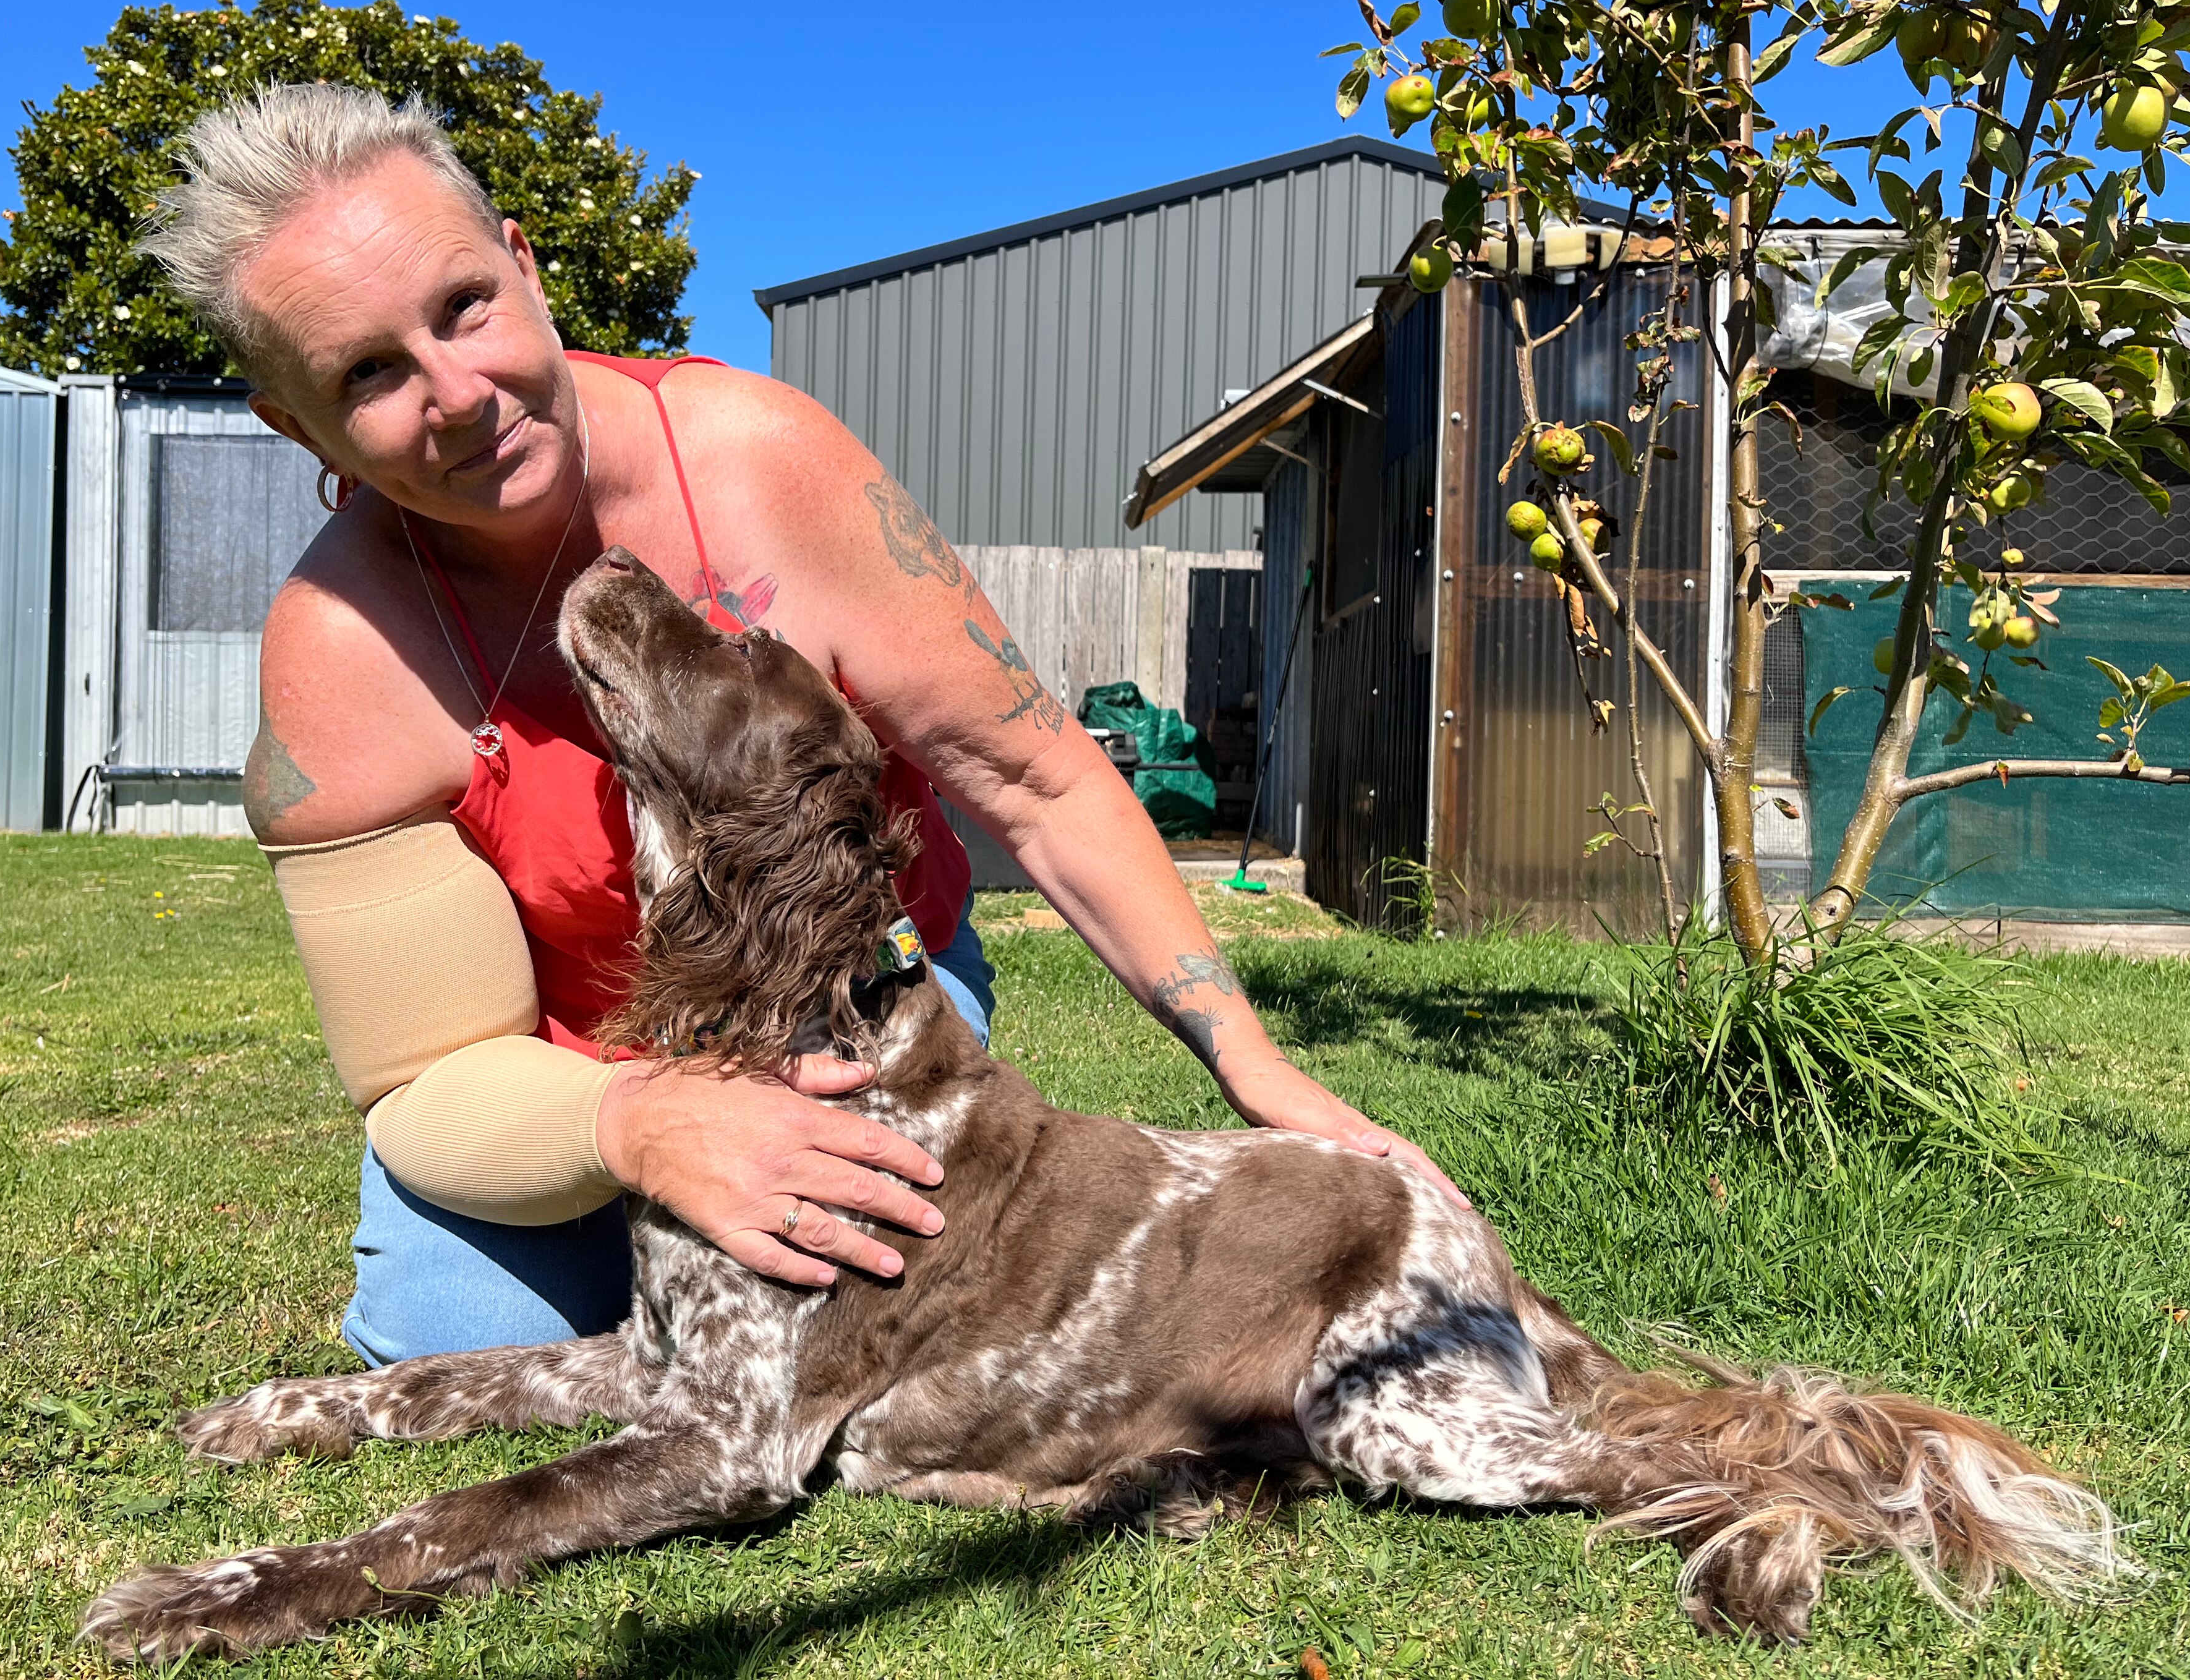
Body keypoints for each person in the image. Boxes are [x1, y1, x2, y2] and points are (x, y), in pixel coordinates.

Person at [147, 83, 1465, 1366]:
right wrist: (642, 1123)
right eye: (369, 372)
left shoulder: (764, 467)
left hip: (832, 983)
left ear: (525, 264)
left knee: (856, 1298)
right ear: (295, 425)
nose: (458, 392)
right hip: (566, 1065)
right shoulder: (341, 653)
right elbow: (431, 1073)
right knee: (455, 1336)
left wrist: (1251, 1062)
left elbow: (1037, 783)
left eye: (464, 306)